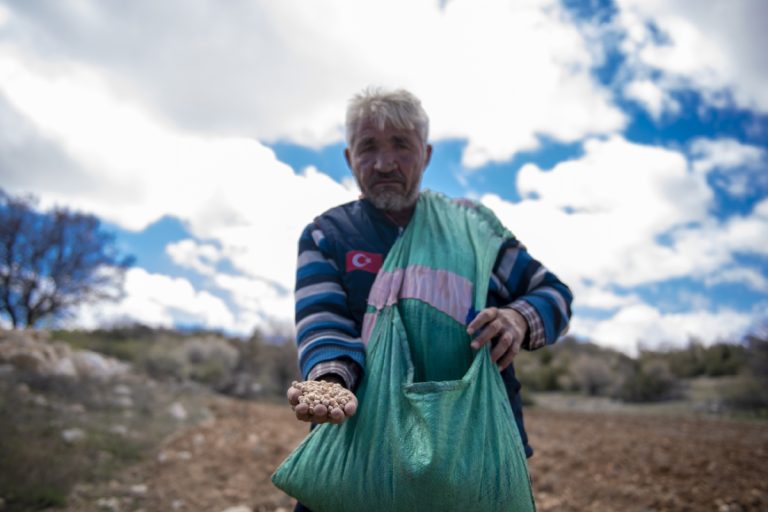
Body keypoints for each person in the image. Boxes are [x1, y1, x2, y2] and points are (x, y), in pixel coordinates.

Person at [286, 87, 572, 511]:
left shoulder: (473, 231)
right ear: (349, 158)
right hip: (362, 441)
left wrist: (517, 319)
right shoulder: (328, 234)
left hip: (472, 445)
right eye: (368, 147)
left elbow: (554, 294)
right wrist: (330, 381)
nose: (384, 163)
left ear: (426, 154)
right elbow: (323, 321)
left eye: (401, 145)